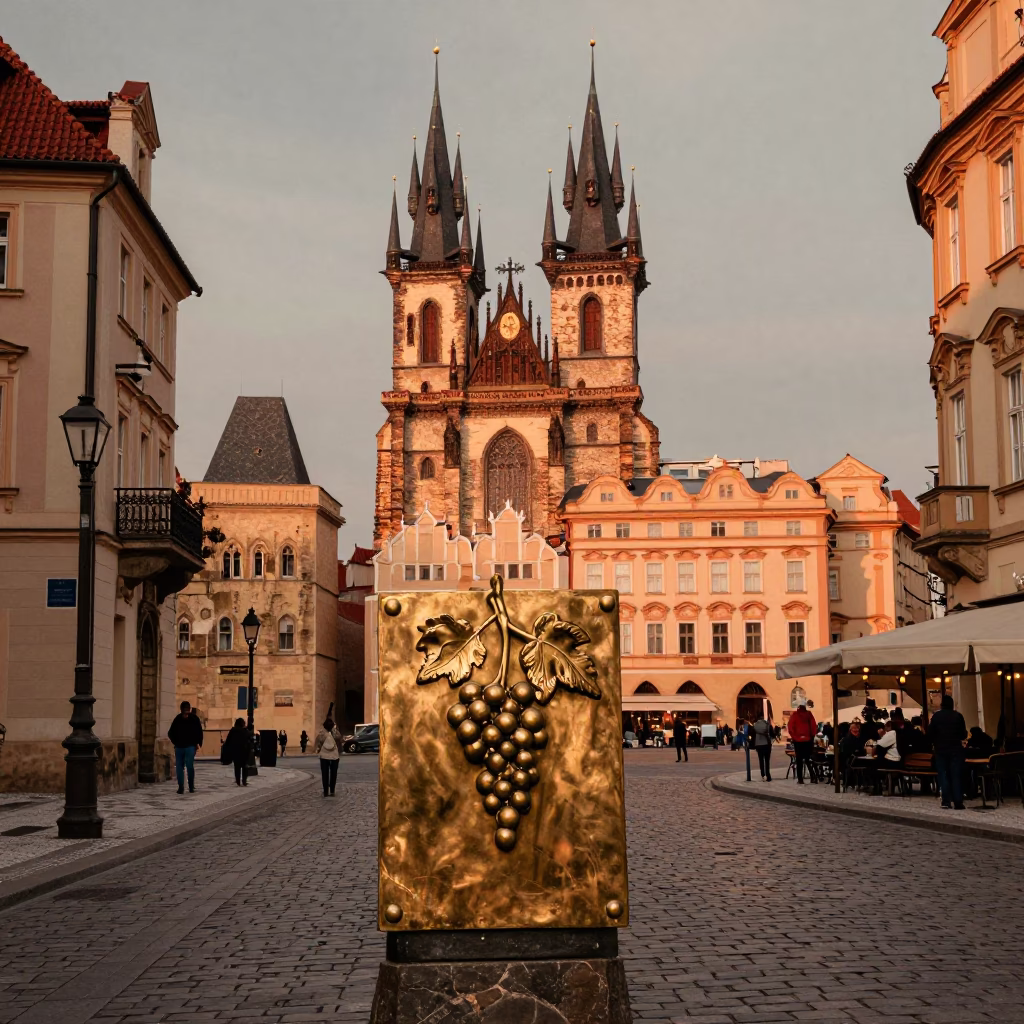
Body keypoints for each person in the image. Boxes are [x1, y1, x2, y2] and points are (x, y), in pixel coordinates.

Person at [928, 694, 968, 809]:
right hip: (955, 749)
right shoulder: (958, 716)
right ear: (952, 705)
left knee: (943, 774)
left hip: (940, 749)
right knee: (955, 774)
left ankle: (946, 800)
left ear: (942, 705)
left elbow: (930, 733)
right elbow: (963, 734)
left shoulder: (936, 717)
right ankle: (958, 801)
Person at [168, 700, 203, 794]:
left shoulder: (181, 718)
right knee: (183, 766)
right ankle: (183, 787)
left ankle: (187, 787)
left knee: (185, 766)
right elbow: (199, 731)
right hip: (183, 746)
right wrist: (198, 743)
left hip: (186, 746)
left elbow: (199, 731)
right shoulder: (189, 718)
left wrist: (198, 743)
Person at [788, 702, 817, 784]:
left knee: (799, 760)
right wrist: (811, 737)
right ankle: (813, 777)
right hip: (808, 740)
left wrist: (795, 737)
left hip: (798, 741)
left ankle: (800, 779)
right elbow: (813, 726)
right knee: (808, 760)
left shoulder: (795, 715)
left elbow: (790, 727)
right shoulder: (809, 715)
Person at [314, 717, 344, 796]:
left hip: (324, 755)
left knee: (325, 774)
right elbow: (339, 738)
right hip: (334, 755)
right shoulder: (334, 733)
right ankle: (332, 790)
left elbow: (319, 742)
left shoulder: (322, 733)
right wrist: (335, 729)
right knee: (333, 774)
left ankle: (326, 791)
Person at [222, 718, 251, 786]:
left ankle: (238, 781)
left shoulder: (233, 730)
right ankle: (244, 781)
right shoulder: (245, 731)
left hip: (235, 751)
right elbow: (249, 741)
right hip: (244, 751)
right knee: (244, 767)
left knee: (237, 767)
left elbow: (228, 741)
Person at [750, 715, 774, 781]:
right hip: (766, 744)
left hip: (758, 745)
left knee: (761, 760)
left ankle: (763, 775)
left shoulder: (755, 725)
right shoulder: (767, 725)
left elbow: (752, 735)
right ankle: (768, 775)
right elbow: (772, 734)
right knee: (767, 760)